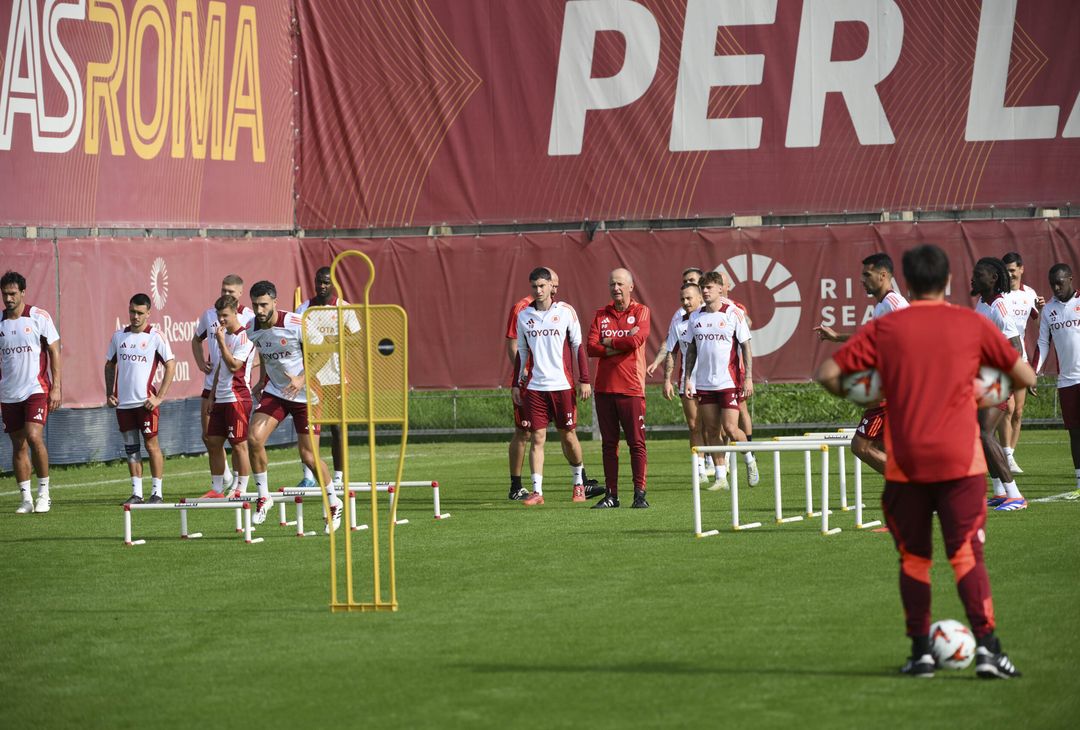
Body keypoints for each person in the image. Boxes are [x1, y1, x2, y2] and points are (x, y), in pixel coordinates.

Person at [817, 244, 1029, 679]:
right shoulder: (968, 321)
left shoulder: (890, 326)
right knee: (967, 558)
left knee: (915, 560)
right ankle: (989, 651)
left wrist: (872, 390)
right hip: (960, 462)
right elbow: (1022, 374)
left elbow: (829, 376)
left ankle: (920, 655)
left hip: (908, 463)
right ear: (948, 281)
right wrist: (975, 391)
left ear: (906, 283)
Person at [246, 280, 343, 531]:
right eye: (255, 305)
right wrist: (260, 382)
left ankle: (333, 503)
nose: (259, 310)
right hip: (276, 391)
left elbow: (325, 350)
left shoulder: (294, 322)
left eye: (264, 305)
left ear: (274, 302)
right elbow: (265, 354)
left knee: (309, 456)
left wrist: (302, 378)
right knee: (254, 439)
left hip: (307, 394)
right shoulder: (251, 328)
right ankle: (264, 497)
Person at [814, 253, 909, 474]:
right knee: (883, 447)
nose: (862, 280)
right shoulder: (882, 306)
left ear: (883, 275)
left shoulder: (894, 303)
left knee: (861, 446)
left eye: (867, 274)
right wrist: (837, 336)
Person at [512, 267, 592, 505]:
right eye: (534, 287)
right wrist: (516, 383)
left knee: (568, 436)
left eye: (542, 286)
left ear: (551, 287)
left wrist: (584, 379)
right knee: (537, 437)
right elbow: (522, 353)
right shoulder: (524, 316)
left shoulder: (566, 311)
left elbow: (578, 346)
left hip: (562, 386)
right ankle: (537, 491)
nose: (538, 290)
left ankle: (579, 482)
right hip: (535, 387)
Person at [682, 271, 753, 491]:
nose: (705, 291)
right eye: (702, 287)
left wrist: (748, 377)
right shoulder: (696, 317)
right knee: (711, 430)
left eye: (709, 287)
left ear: (721, 289)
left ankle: (749, 458)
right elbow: (691, 350)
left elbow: (746, 347)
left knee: (731, 428)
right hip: (704, 383)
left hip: (729, 381)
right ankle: (721, 477)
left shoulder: (733, 313)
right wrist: (687, 378)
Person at [587, 268, 651, 508]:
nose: (616, 288)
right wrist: (619, 345)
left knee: (636, 443)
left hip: (631, 389)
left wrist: (608, 342)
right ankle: (611, 495)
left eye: (620, 284)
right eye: (612, 284)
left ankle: (640, 494)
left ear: (631, 286)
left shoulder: (641, 311)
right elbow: (591, 347)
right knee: (608, 445)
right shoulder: (600, 314)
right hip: (604, 389)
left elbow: (637, 340)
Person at [105, 293, 176, 504]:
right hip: (124, 405)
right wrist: (110, 393)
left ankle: (157, 493)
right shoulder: (119, 337)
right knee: (131, 449)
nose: (135, 316)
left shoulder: (155, 336)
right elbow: (110, 364)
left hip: (145, 403)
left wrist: (159, 397)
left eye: (139, 312)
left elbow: (170, 365)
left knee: (151, 445)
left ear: (148, 313)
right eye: (132, 312)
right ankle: (137, 493)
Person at [1, 271, 62, 514]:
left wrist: (56, 386)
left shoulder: (39, 317)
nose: (8, 299)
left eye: (13, 293)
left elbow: (55, 350)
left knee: (34, 436)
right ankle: (25, 498)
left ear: (23, 293)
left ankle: (44, 494)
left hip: (36, 390)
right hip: (8, 393)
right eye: (5, 294)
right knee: (18, 445)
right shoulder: (1, 323)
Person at [295, 266, 361, 490]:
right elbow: (297, 339)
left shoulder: (344, 309)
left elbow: (357, 338)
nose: (321, 286)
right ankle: (308, 476)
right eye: (318, 282)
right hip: (312, 377)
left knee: (337, 428)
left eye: (326, 282)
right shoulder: (303, 308)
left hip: (337, 377)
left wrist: (335, 340)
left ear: (333, 284)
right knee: (308, 427)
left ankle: (339, 476)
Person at [971, 257, 1026, 511]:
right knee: (980, 434)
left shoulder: (999, 306)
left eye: (978, 274)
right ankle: (1001, 491)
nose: (973, 277)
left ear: (993, 278)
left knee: (983, 433)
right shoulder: (982, 302)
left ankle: (1015, 495)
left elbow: (1015, 347)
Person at [191, 274, 253, 494]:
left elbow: (235, 364)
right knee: (211, 438)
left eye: (230, 291)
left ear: (239, 295)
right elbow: (215, 362)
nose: (221, 319)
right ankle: (219, 485)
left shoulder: (248, 324)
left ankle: (240, 485)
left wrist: (260, 376)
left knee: (239, 443)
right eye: (223, 290)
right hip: (216, 389)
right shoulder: (213, 319)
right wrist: (202, 366)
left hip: (237, 392)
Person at [647, 282, 708, 478]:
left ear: (700, 298)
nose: (686, 302)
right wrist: (667, 380)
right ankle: (699, 470)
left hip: (712, 381)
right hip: (687, 382)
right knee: (694, 426)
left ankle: (720, 467)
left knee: (716, 427)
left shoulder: (713, 319)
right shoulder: (679, 323)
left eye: (689, 298)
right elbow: (671, 352)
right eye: (682, 299)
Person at [1033, 263, 1080, 498]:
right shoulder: (1049, 310)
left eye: (1060, 282)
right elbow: (1043, 343)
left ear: (1071, 279)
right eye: (1052, 283)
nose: (1056, 287)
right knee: (1075, 433)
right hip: (1067, 382)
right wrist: (1034, 372)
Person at [998, 252, 1043, 474]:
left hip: (1021, 359)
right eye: (1005, 270)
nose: (1009, 273)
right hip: (1002, 361)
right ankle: (1005, 454)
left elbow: (1035, 315)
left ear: (1021, 269)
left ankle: (1010, 456)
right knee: (1008, 407)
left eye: (1012, 269)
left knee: (1018, 411)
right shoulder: (999, 295)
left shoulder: (1029, 294)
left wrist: (1040, 306)